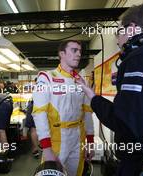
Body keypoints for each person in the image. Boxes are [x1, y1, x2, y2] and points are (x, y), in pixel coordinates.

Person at [76, 3, 143, 176]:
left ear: (131, 29)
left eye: (119, 32)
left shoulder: (141, 58)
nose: (118, 40)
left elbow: (128, 123)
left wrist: (93, 98)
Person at [32, 40, 94, 176]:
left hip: (78, 139)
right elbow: (39, 113)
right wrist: (46, 148)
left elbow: (87, 112)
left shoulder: (82, 81)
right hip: (56, 139)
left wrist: (90, 141)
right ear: (62, 54)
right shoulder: (46, 78)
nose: (78, 54)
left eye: (80, 51)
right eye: (74, 50)